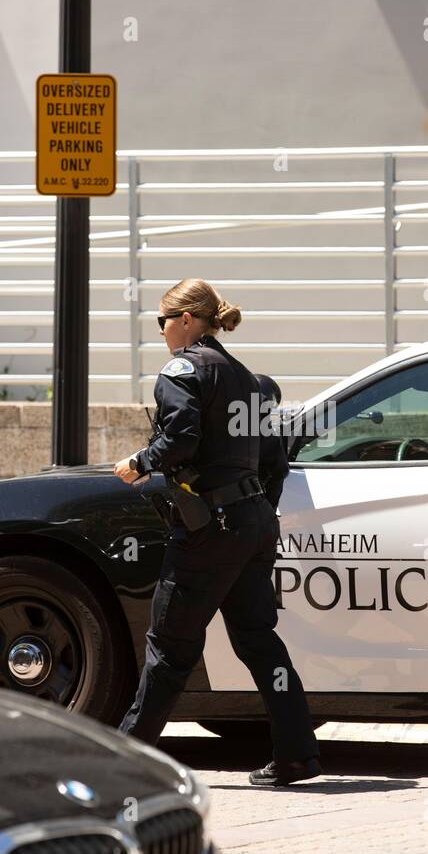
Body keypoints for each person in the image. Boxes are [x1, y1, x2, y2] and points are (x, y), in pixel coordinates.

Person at [112, 278, 322, 787]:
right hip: (251, 525)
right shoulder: (245, 377)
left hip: (212, 530)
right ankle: (297, 753)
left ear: (185, 320)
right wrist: (250, 510)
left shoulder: (183, 370)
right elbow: (275, 462)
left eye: (161, 320)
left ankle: (120, 766)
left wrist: (140, 461)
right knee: (258, 641)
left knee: (169, 646)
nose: (160, 331)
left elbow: (180, 436)